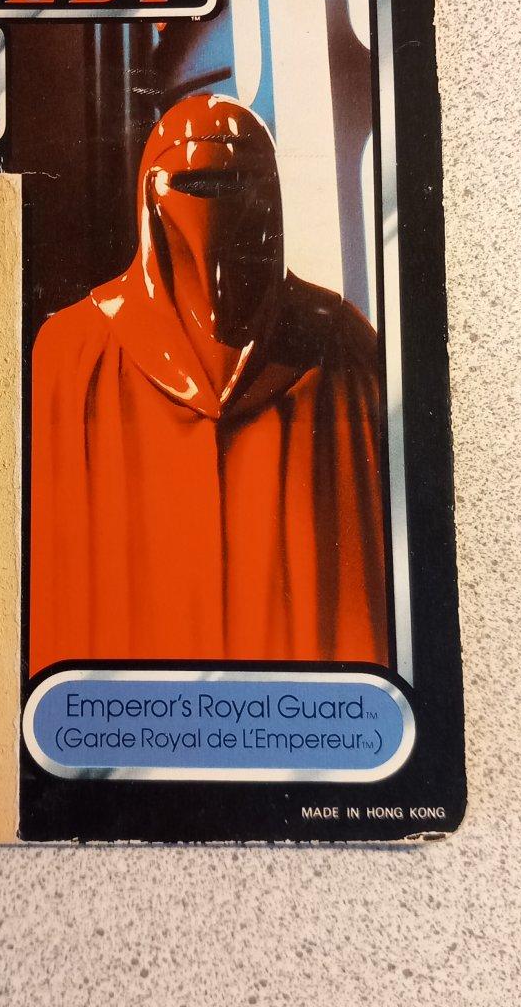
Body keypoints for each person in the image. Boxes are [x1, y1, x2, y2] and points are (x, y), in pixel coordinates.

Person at [30, 92, 388, 674]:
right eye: (193, 185)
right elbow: (57, 583)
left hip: (287, 704)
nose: (215, 208)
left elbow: (363, 580)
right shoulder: (75, 352)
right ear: (150, 194)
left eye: (235, 183)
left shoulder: (341, 344)